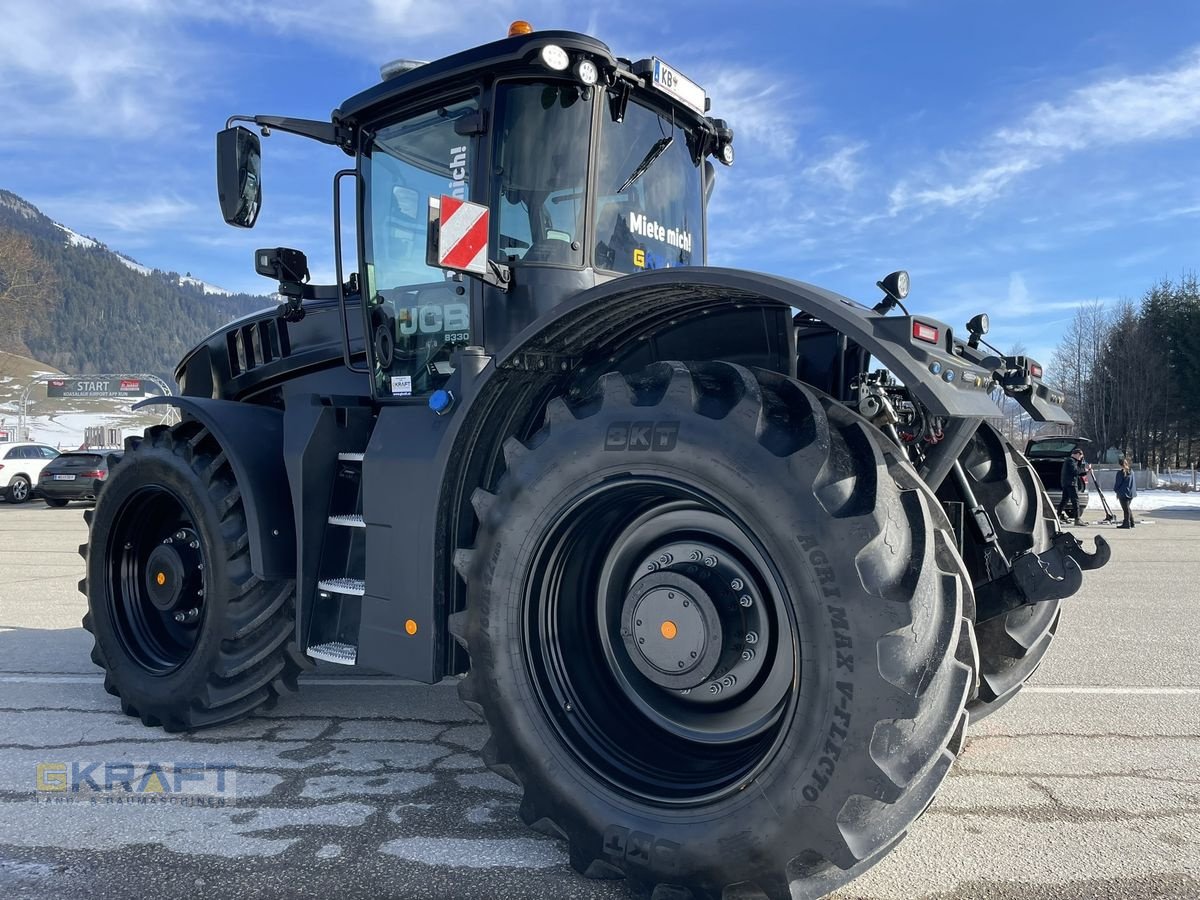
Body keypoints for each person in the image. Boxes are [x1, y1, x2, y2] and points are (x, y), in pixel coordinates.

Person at [1058, 447, 1089, 526]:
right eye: (1081, 456)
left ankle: (1057, 516)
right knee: (1075, 500)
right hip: (1071, 484)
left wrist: (1084, 469)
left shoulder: (1070, 461)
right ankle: (1077, 519)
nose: (1080, 458)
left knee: (1064, 500)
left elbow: (1078, 471)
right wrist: (1086, 471)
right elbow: (1076, 471)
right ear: (1078, 454)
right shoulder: (1070, 461)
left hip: (1067, 483)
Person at [1114, 457, 1137, 528]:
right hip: (1131, 493)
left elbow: (1118, 484)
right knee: (1127, 508)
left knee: (1125, 509)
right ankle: (1132, 522)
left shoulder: (1120, 473)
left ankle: (1126, 523)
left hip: (1123, 493)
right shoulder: (1132, 472)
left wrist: (1116, 490)